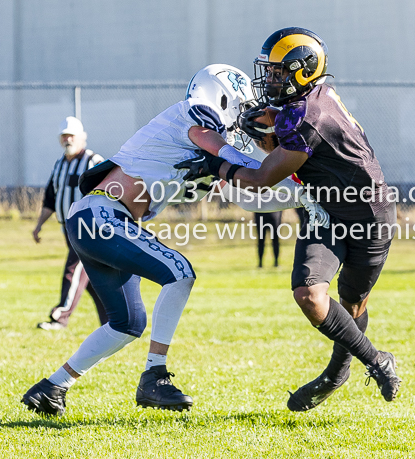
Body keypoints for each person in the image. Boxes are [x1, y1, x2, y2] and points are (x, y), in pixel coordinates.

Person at [21, 64, 329, 416]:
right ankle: (155, 375)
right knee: (180, 271)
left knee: (127, 323)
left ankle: (52, 387)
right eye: (241, 107)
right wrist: (249, 164)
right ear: (222, 95)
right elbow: (213, 142)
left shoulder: (206, 148)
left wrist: (302, 197)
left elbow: (249, 196)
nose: (244, 118)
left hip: (99, 219)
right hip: (102, 215)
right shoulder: (196, 114)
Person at [179, 28, 401, 411]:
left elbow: (264, 177)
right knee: (311, 296)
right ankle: (376, 361)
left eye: (280, 72)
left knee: (351, 305)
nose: (271, 79)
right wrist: (270, 126)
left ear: (303, 71)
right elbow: (293, 149)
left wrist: (217, 165)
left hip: (369, 215)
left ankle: (336, 373)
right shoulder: (313, 97)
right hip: (326, 210)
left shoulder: (306, 116)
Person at [32, 117, 108, 330]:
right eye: (64, 135)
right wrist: (39, 225)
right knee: (92, 278)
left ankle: (60, 317)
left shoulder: (94, 161)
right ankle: (113, 320)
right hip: (68, 227)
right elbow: (50, 198)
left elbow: (112, 192)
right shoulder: (59, 165)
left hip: (88, 228)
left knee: (73, 269)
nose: (68, 139)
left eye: (71, 135)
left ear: (82, 137)